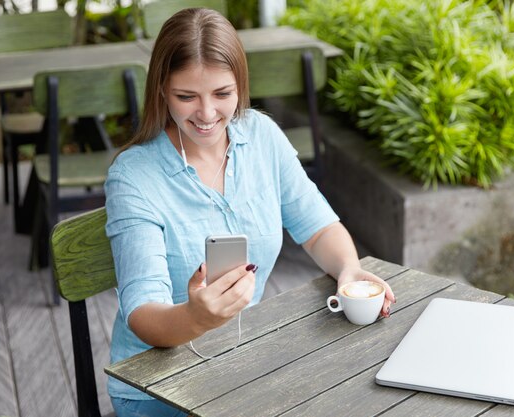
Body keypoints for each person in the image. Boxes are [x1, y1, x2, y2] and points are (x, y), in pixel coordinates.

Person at [104, 7, 396, 417]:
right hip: (154, 385)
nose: (207, 115)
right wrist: (195, 318)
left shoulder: (261, 135)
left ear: (241, 86)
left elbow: (317, 227)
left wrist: (347, 268)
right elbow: (142, 315)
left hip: (243, 362)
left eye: (222, 94)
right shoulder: (134, 176)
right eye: (186, 96)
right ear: (161, 92)